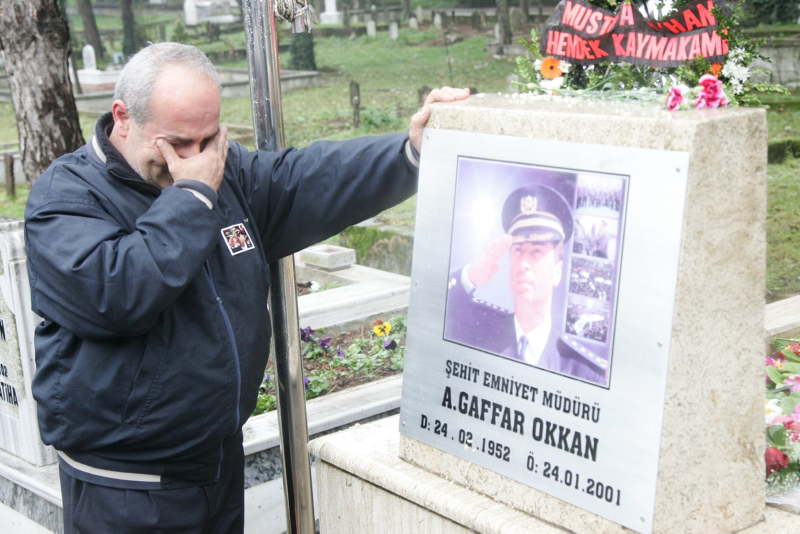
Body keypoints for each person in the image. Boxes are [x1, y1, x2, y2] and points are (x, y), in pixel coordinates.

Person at [24, 42, 469, 533]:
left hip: (216, 464)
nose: (194, 159)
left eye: (208, 139)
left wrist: (409, 152)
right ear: (123, 117)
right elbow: (119, 294)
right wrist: (193, 195)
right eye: (177, 143)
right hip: (127, 487)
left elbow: (306, 179)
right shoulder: (66, 198)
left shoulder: (223, 168)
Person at [445, 185, 606, 383]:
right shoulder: (476, 333)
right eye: (518, 250)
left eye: (536, 251)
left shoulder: (584, 372)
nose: (523, 263)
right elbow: (432, 314)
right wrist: (469, 277)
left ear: (557, 271)